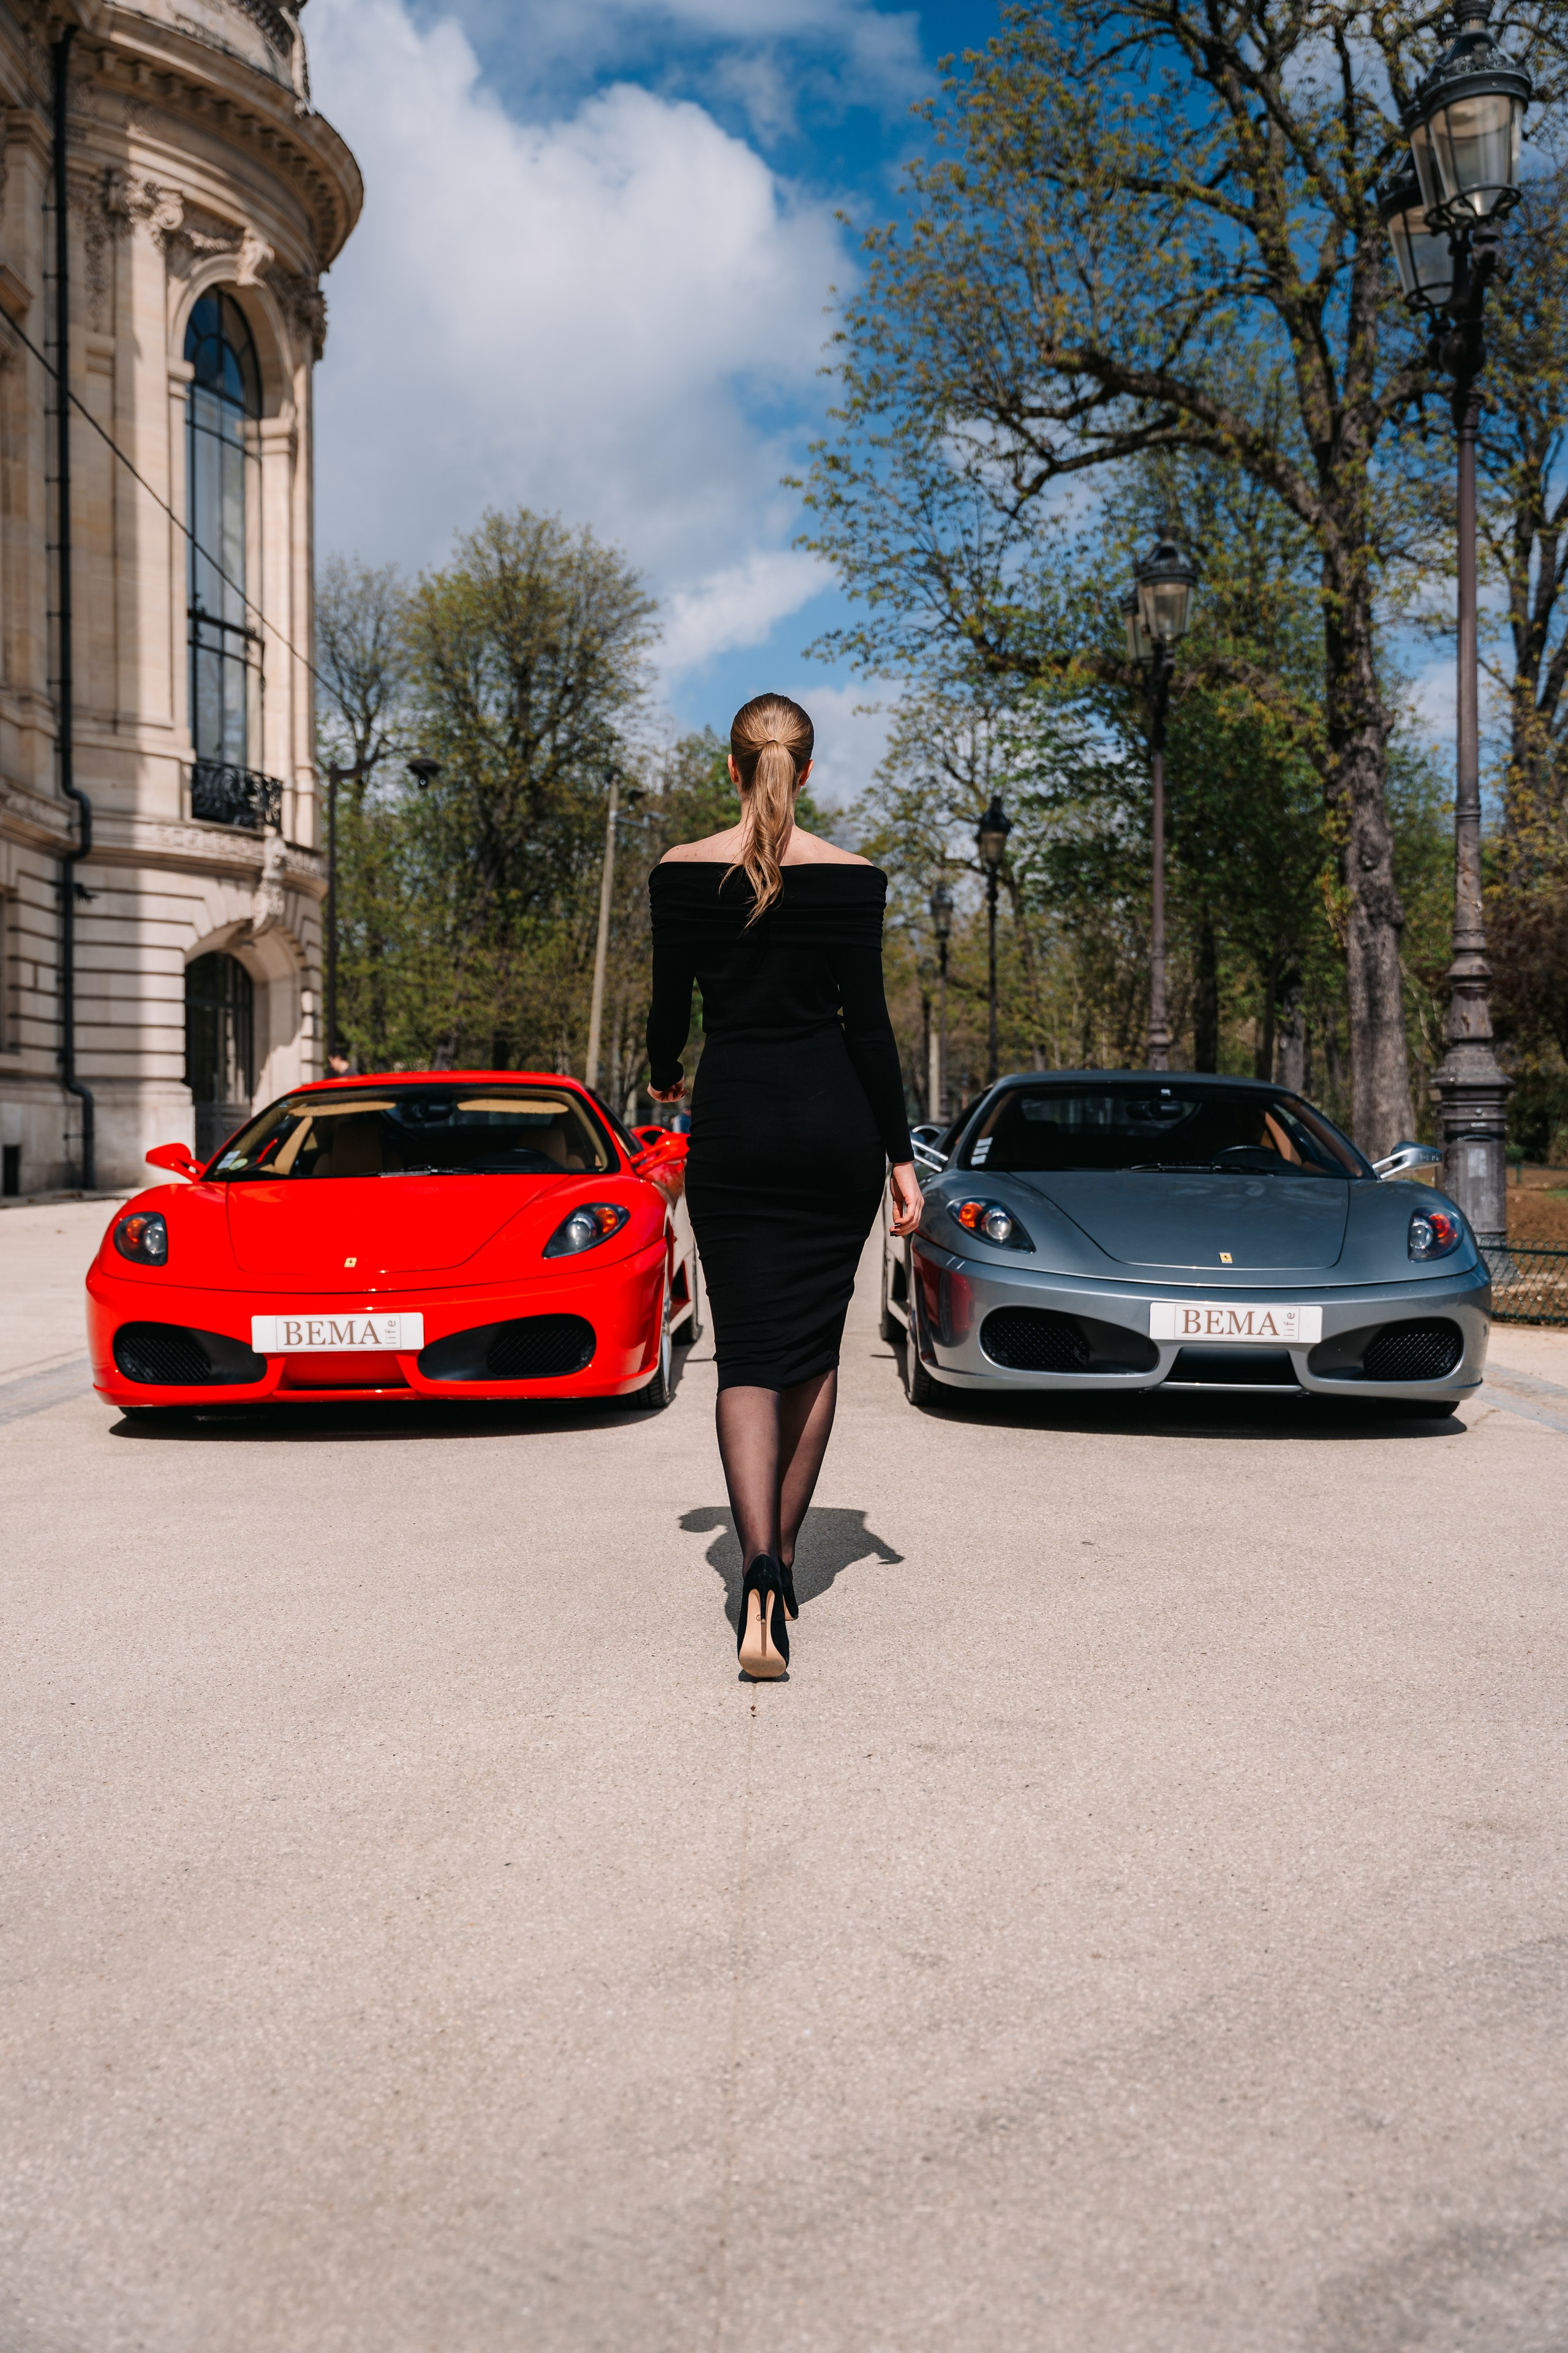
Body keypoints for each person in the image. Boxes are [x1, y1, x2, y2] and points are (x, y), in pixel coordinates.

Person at [647, 693, 922, 1679]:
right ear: (806, 772)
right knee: (812, 1349)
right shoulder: (856, 882)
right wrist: (900, 1160)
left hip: (737, 1131)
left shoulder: (680, 874)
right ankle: (785, 1565)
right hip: (833, 1134)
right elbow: (871, 1032)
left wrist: (662, 1070)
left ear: (733, 769)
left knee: (748, 1354)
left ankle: (753, 1564)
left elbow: (667, 1012)